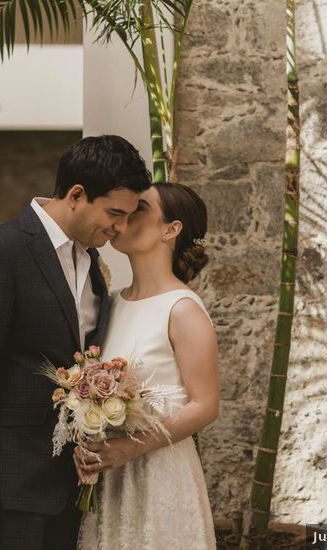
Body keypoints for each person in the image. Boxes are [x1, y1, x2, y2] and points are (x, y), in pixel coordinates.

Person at [0, 135, 152, 549]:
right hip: (10, 488)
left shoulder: (91, 262)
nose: (120, 228)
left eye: (127, 217)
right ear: (76, 195)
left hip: (74, 486)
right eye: (114, 213)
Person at [75, 183, 220, 550]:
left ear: (170, 229)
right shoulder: (111, 303)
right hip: (111, 479)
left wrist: (133, 448)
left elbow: (205, 406)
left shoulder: (183, 308)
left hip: (160, 474)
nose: (124, 217)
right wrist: (85, 439)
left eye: (139, 209)